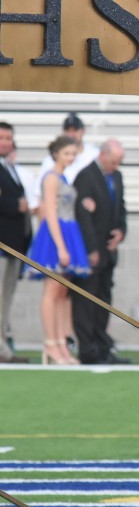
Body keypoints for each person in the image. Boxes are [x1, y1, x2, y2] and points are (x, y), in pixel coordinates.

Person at [26, 136, 91, 366]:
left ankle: (62, 343)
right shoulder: (51, 178)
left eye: (73, 154)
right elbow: (50, 214)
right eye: (66, 153)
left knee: (63, 293)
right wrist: (61, 246)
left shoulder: (63, 176)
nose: (71, 158)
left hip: (68, 231)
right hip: (56, 235)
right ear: (56, 154)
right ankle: (50, 344)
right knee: (52, 292)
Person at [72, 140, 128, 365]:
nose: (116, 166)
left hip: (109, 251)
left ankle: (103, 347)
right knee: (86, 300)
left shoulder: (117, 176)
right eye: (113, 162)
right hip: (91, 251)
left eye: (119, 162)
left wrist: (121, 231)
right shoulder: (86, 176)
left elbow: (120, 207)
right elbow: (81, 217)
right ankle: (88, 350)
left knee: (104, 299)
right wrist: (90, 249)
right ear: (103, 155)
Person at [0, 123, 32, 364]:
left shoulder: (9, 168)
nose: (6, 142)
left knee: (6, 298)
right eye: (2, 137)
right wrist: (15, 206)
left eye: (9, 137)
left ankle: (3, 348)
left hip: (12, 245)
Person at [37, 113, 99, 193]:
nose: (71, 134)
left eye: (75, 130)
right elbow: (40, 193)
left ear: (83, 131)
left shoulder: (94, 154)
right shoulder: (49, 162)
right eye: (68, 130)